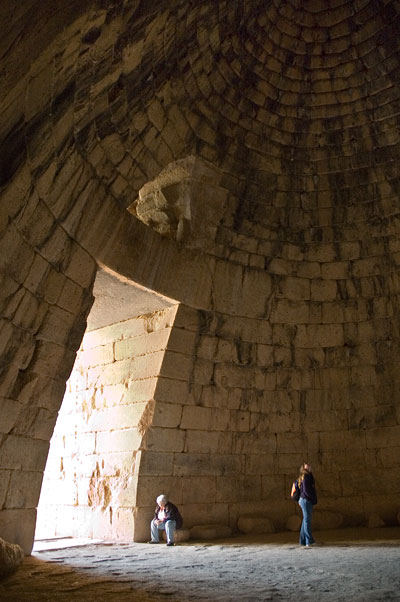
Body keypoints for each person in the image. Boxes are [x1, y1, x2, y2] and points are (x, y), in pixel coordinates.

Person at [297, 463, 317, 547]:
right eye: (306, 465)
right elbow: (306, 491)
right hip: (305, 500)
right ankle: (309, 541)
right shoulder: (305, 477)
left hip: (306, 500)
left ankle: (302, 541)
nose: (309, 466)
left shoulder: (308, 476)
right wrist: (312, 498)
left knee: (305, 520)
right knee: (307, 520)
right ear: (304, 468)